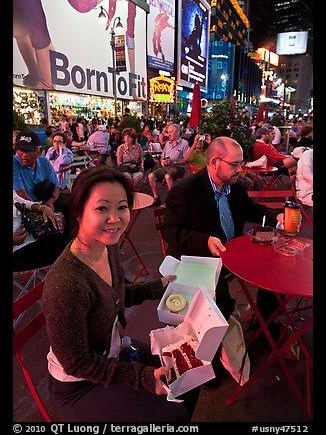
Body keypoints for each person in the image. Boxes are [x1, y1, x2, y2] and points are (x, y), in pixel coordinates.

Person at [42, 166, 198, 422]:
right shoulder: (66, 283)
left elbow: (114, 295)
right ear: (79, 212)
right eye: (102, 208)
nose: (114, 219)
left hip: (113, 353)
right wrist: (141, 377)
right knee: (172, 412)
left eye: (122, 207)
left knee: (188, 376)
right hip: (80, 384)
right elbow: (77, 363)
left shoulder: (106, 246)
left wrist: (158, 286)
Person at [161, 136, 286, 343]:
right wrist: (205, 241)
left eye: (241, 163)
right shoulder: (186, 190)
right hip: (200, 260)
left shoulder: (235, 186)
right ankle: (213, 352)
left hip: (232, 253)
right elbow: (169, 230)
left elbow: (251, 210)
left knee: (275, 271)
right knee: (220, 304)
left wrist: (277, 217)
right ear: (214, 163)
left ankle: (265, 321)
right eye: (235, 164)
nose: (240, 169)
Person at [13, 130, 70, 225]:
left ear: (39, 151)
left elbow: (57, 186)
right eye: (20, 150)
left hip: (46, 204)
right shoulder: (14, 164)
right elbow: (20, 193)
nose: (24, 154)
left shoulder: (44, 161)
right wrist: (40, 209)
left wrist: (50, 202)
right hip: (25, 210)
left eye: (29, 151)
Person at [13, 189, 68, 271]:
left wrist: (43, 208)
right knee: (66, 245)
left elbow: (19, 201)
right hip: (17, 250)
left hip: (29, 229)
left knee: (66, 226)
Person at [148, 124, 189, 206]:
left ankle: (171, 199)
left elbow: (186, 160)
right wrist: (162, 161)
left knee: (167, 176)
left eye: (170, 132)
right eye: (168, 132)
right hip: (167, 167)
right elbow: (162, 157)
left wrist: (175, 162)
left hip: (178, 167)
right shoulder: (167, 144)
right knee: (150, 176)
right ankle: (156, 198)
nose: (168, 134)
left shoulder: (184, 143)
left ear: (177, 133)